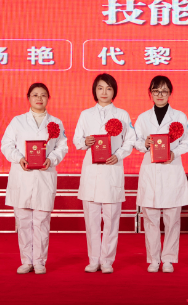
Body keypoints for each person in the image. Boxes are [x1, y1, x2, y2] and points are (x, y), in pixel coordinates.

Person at [1, 83, 68, 275]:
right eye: (35, 95)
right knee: (23, 221)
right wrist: (19, 158)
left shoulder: (56, 122)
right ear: (28, 98)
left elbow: (62, 147)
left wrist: (51, 159)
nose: (39, 98)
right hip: (22, 176)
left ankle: (39, 261)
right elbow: (6, 145)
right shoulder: (17, 121)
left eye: (43, 95)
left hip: (44, 176)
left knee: (41, 221)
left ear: (48, 98)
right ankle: (26, 261)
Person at [73, 73, 136, 274]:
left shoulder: (122, 114)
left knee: (111, 220)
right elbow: (76, 140)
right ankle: (93, 259)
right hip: (92, 171)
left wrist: (118, 155)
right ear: (95, 90)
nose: (104, 92)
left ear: (114, 91)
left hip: (112, 170)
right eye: (100, 88)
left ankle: (107, 260)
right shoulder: (85, 115)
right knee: (91, 221)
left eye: (108, 88)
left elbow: (130, 140)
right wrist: (85, 142)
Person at [134, 75, 188, 273]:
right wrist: (144, 144)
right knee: (150, 218)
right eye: (156, 91)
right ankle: (153, 259)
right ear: (150, 93)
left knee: (172, 218)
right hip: (150, 170)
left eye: (164, 91)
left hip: (171, 169)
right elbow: (135, 141)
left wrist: (174, 153)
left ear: (170, 93)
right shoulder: (143, 118)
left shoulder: (180, 116)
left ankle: (168, 258)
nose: (160, 95)